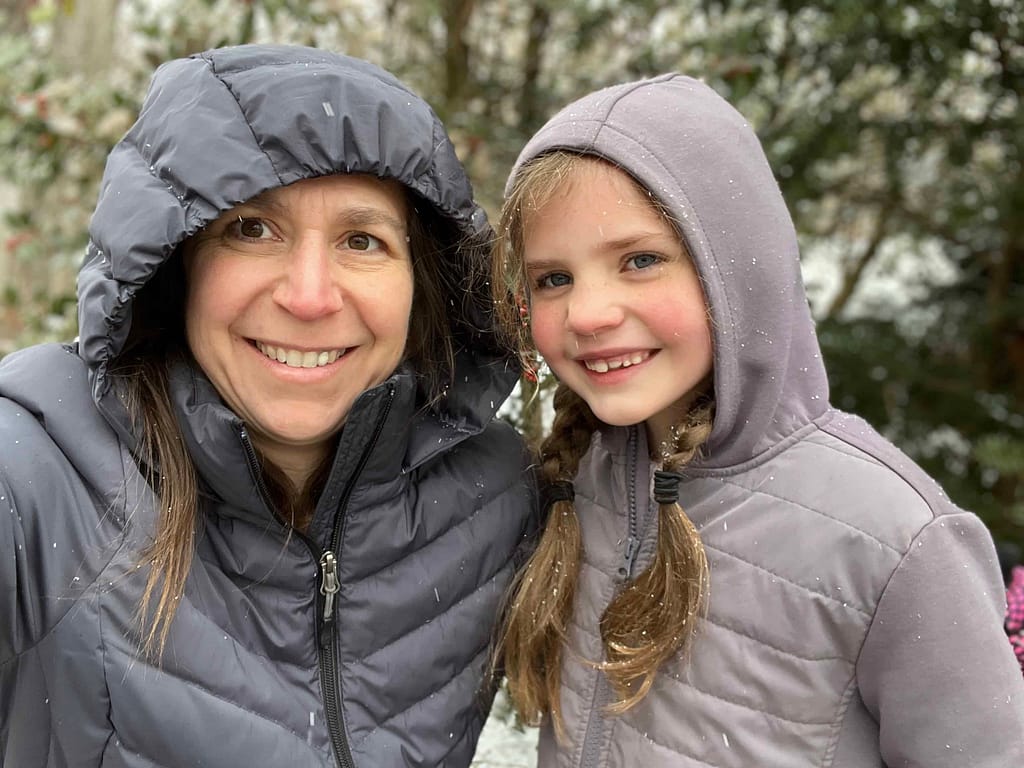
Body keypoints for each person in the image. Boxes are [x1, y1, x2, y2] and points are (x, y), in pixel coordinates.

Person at [0, 44, 536, 767]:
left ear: (421, 283)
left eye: (361, 239)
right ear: (174, 263)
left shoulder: (496, 499)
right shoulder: (40, 472)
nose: (309, 297)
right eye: (251, 229)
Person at [491, 74, 1024, 766]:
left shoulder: (896, 539)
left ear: (737, 270)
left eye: (641, 260)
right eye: (552, 278)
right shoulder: (586, 475)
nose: (588, 313)